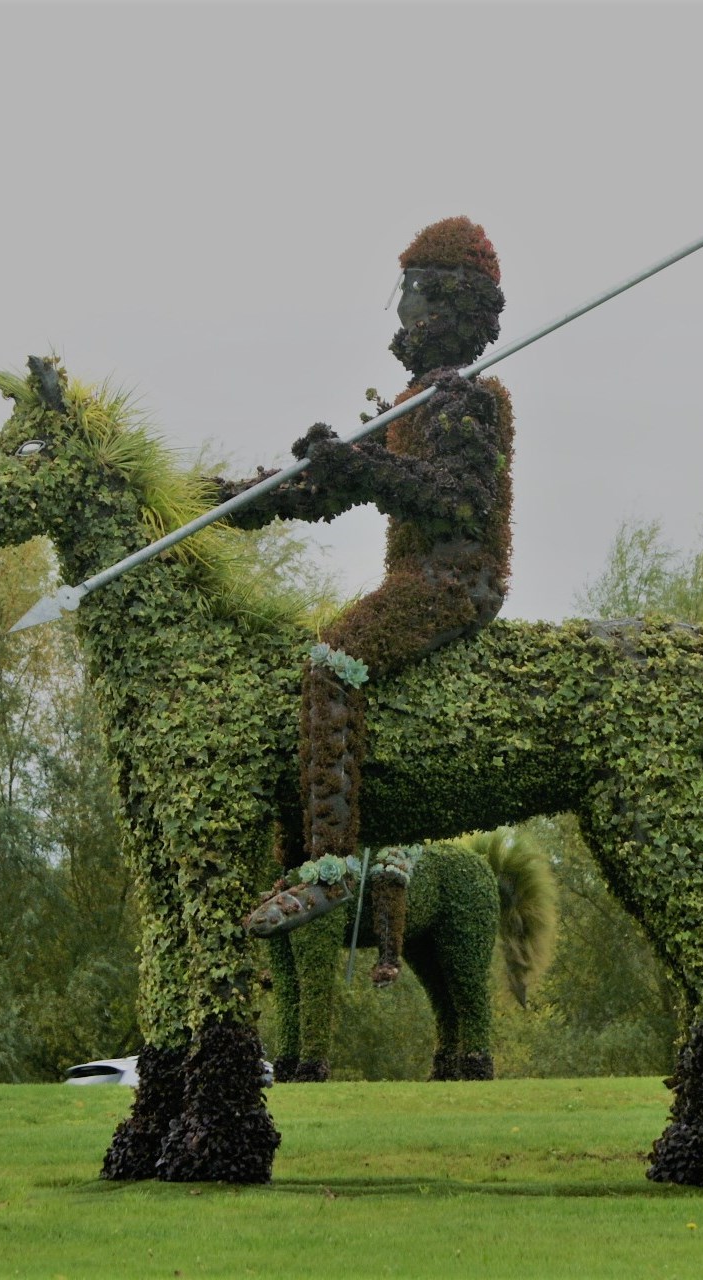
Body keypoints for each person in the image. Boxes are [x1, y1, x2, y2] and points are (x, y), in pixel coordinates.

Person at [220, 216, 514, 984]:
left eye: (411, 295)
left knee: (331, 663)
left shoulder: (466, 402)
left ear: (446, 304)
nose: (400, 313)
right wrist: (225, 502)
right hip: (414, 581)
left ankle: (331, 866)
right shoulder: (413, 401)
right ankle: (302, 860)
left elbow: (459, 499)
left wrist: (362, 468)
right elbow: (321, 493)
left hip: (455, 583)